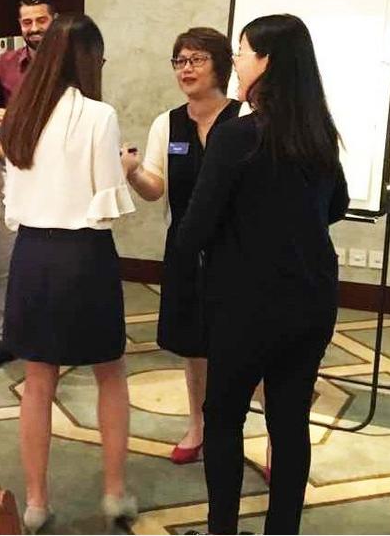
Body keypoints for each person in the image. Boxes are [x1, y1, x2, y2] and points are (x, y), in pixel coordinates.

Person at [177, 14, 348, 534]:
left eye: (243, 51)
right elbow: (336, 206)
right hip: (312, 300)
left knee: (224, 418)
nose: (236, 61)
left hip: (245, 305)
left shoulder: (235, 136)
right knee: (289, 421)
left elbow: (194, 230)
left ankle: (222, 529)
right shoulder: (319, 134)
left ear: (267, 62)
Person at [0, 14, 137, 532]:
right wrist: (124, 169)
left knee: (38, 381)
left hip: (32, 254)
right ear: (88, 60)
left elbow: (13, 200)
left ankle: (36, 502)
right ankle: (114, 493)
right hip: (85, 256)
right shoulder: (99, 115)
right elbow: (107, 202)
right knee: (111, 372)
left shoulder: (20, 114)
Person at [123, 27, 244, 465]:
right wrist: (133, 172)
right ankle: (199, 425)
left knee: (247, 342)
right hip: (186, 247)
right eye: (180, 61)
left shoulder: (246, 117)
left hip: (240, 250)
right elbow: (156, 188)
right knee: (194, 344)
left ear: (220, 65)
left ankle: (270, 433)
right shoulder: (167, 123)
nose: (186, 69)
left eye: (196, 59)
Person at [0, 0, 54, 373]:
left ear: (54, 21)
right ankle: (4, 337)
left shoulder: (70, 65)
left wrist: (16, 114)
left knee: (52, 260)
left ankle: (48, 334)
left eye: (41, 20)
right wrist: (3, 151)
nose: (34, 28)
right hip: (7, 171)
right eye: (27, 22)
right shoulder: (4, 64)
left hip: (56, 176)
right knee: (3, 260)